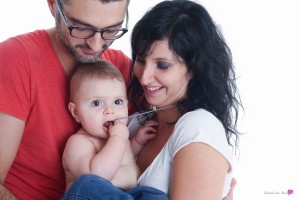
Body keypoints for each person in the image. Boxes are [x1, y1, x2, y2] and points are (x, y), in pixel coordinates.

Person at [63, 0, 242, 199]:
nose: (144, 77)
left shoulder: (198, 126)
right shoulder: (136, 123)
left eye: (163, 65)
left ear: (194, 68)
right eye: (140, 60)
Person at [0, 0, 131, 199]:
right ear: (53, 5)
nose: (96, 45)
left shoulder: (118, 68)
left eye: (111, 30)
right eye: (81, 28)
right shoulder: (15, 59)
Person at [61, 60, 168, 199]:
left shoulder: (119, 137)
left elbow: (122, 160)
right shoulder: (79, 142)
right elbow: (96, 178)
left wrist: (136, 142)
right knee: (87, 185)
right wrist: (119, 138)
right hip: (93, 196)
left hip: (127, 194)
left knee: (154, 196)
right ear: (76, 112)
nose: (110, 111)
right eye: (97, 103)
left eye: (117, 102)